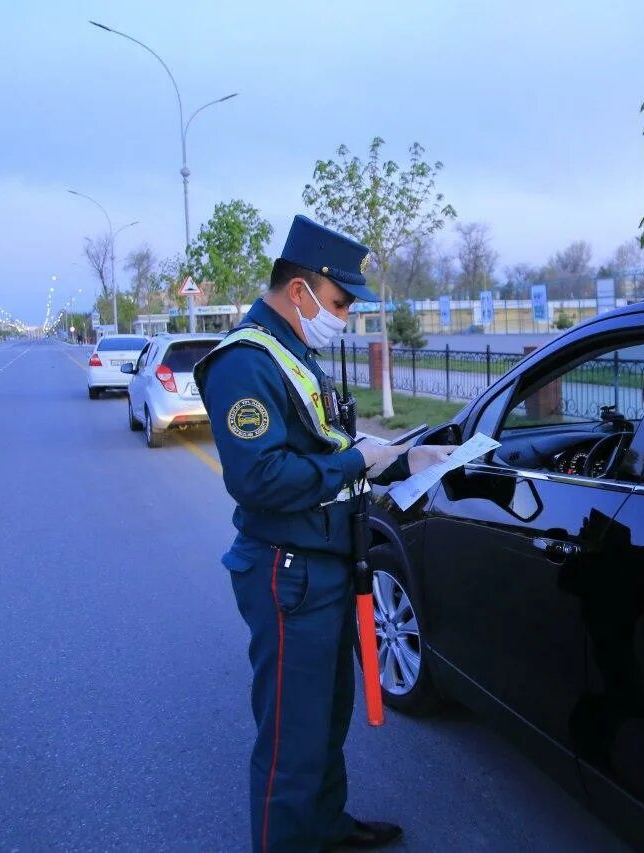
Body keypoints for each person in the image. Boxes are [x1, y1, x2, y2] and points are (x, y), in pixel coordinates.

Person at [194, 215, 452, 852]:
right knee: (291, 734)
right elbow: (259, 477)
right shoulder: (245, 363)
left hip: (328, 565)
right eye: (339, 302)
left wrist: (399, 459)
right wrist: (352, 462)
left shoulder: (293, 352)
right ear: (301, 289)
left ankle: (324, 827)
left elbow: (328, 443)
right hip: (290, 570)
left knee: (328, 715)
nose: (343, 315)